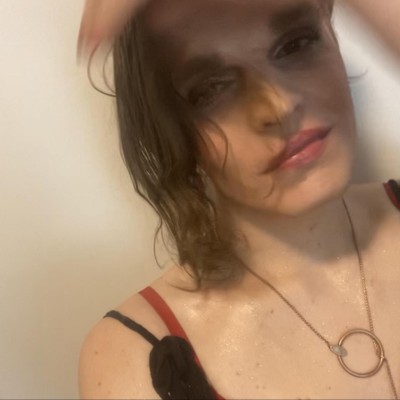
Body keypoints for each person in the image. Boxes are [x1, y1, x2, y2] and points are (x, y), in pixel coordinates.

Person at [77, 1, 400, 399]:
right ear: (169, 129)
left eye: (296, 44)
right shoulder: (137, 356)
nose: (279, 106)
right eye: (211, 88)